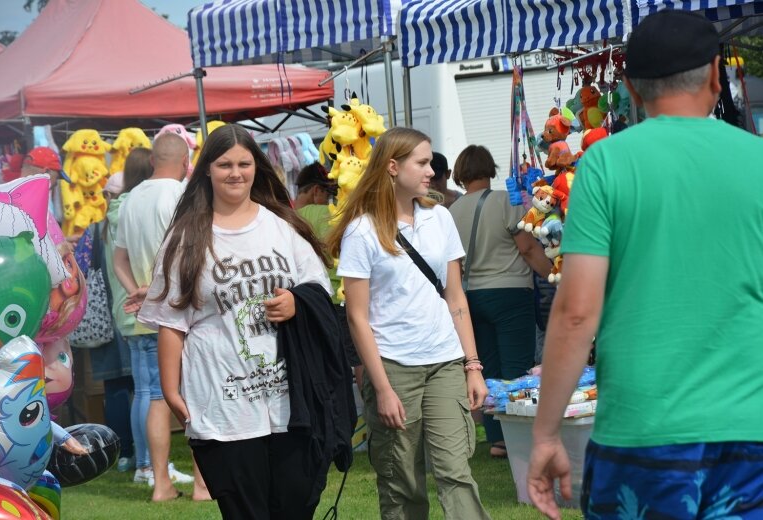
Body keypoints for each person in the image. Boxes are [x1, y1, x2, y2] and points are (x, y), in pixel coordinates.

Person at [527, 11, 763, 520]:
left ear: (631, 89)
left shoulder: (605, 165)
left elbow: (575, 312)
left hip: (642, 429)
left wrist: (546, 433)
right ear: (717, 75)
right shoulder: (757, 160)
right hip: (749, 428)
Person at [137, 124, 336, 520]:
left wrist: (297, 302)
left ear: (256, 168)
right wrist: (170, 389)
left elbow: (319, 287)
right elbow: (171, 325)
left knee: (296, 507)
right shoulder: (186, 239)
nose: (235, 172)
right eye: (224, 163)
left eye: (244, 163)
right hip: (224, 408)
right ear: (206, 169)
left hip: (289, 404)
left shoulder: (282, 225)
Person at [327, 127, 491, 520]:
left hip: (445, 363)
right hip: (394, 369)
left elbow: (455, 298)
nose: (432, 170)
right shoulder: (362, 231)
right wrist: (381, 387)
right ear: (393, 167)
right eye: (422, 162)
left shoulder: (440, 219)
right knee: (403, 483)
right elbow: (357, 317)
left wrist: (472, 365)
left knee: (456, 472)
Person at [112, 133, 205, 501]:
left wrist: (140, 289)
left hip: (144, 313)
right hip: (179, 311)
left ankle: (158, 478)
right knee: (195, 395)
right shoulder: (180, 194)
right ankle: (201, 483)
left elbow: (119, 259)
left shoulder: (131, 197)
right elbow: (190, 252)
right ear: (186, 162)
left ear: (152, 160)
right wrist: (153, 290)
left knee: (151, 396)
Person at [448, 145, 552, 458]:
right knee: (517, 366)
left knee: (487, 366)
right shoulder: (507, 202)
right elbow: (528, 249)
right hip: (509, 293)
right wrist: (554, 275)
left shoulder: (451, 212)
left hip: (469, 296)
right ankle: (520, 434)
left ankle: (497, 439)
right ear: (489, 169)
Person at [87, 167, 142, 473]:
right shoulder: (134, 223)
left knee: (116, 388)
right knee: (144, 387)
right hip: (135, 311)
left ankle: (122, 453)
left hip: (103, 319)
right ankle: (144, 455)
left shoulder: (95, 230)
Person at [294, 162, 363, 381]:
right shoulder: (332, 213)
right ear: (317, 191)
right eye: (328, 193)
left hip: (307, 300)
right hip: (340, 294)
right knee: (356, 358)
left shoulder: (287, 217)